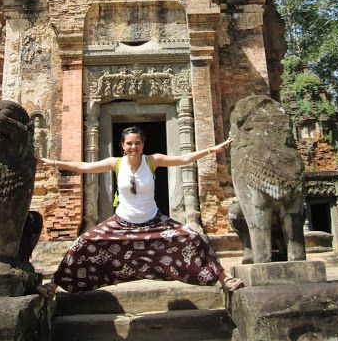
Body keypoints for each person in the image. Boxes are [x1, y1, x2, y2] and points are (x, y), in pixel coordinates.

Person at [36, 126, 243, 298]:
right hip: (122, 222)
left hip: (154, 221)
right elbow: (84, 166)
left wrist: (210, 150)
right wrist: (55, 162)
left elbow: (183, 159)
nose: (133, 146)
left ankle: (224, 280)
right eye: (129, 143)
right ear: (123, 146)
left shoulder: (152, 161)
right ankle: (52, 286)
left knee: (193, 237)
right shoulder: (115, 163)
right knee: (82, 244)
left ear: (142, 144)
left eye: (137, 142)